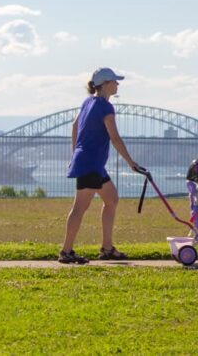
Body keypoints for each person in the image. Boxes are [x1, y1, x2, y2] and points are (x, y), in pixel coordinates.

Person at [59, 67, 140, 264]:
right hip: (91, 163)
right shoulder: (105, 107)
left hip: (90, 162)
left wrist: (75, 152)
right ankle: (66, 251)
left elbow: (74, 126)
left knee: (111, 199)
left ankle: (107, 247)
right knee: (79, 207)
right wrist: (131, 162)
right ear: (105, 84)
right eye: (114, 81)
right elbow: (115, 138)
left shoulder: (88, 102)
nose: (117, 84)